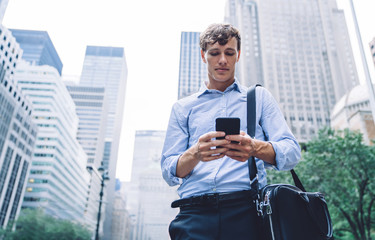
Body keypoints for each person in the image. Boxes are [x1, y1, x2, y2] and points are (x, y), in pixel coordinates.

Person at [161, 23, 301, 239]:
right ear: (203, 55)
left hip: (247, 212)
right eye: (215, 53)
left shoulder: (260, 99)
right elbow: (169, 171)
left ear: (238, 55)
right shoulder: (182, 108)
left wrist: (255, 147)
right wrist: (196, 153)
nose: (223, 60)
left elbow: (292, 153)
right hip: (194, 214)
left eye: (229, 53)